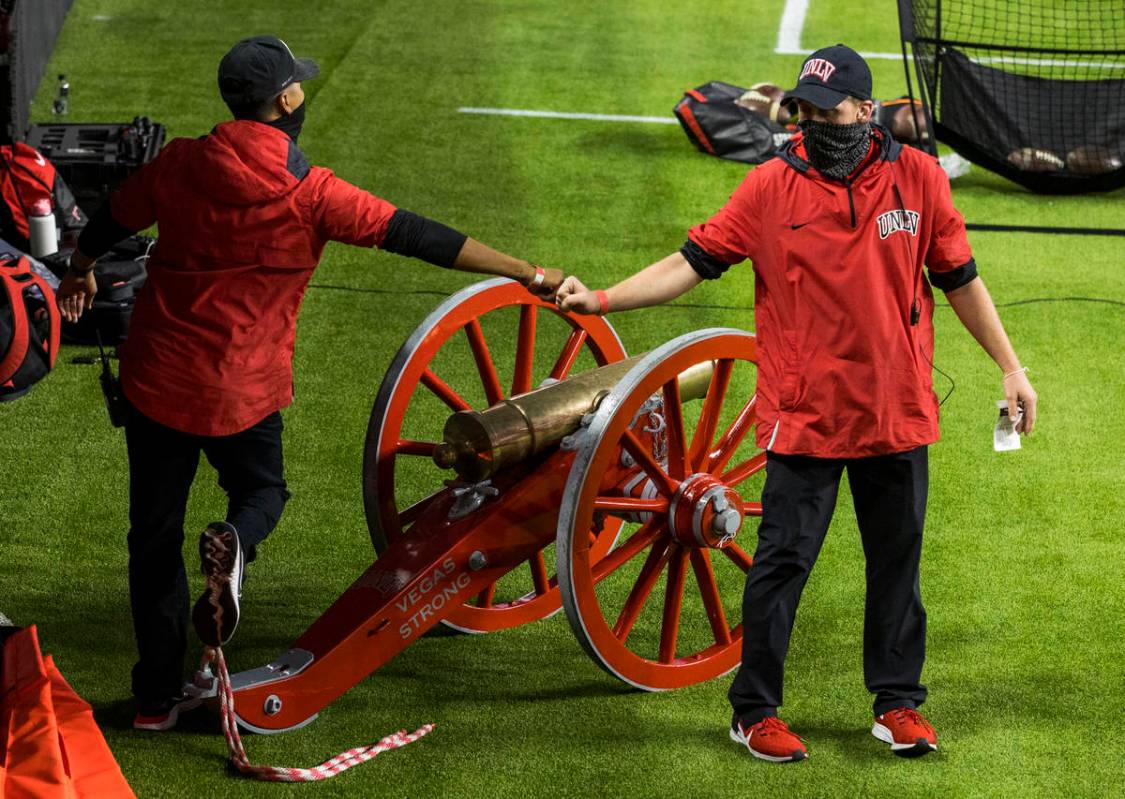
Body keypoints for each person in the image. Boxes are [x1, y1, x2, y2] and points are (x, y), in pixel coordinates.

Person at [55, 35, 563, 732]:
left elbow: (114, 215)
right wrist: (525, 271)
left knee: (153, 535)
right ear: (287, 101)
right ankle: (237, 538)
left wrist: (81, 263)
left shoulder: (178, 165)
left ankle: (153, 701)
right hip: (244, 390)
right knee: (262, 490)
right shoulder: (312, 193)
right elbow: (416, 234)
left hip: (158, 381)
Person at [557, 44, 1037, 762]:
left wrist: (1009, 367)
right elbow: (688, 263)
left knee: (896, 566)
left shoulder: (920, 181)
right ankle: (752, 712)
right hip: (805, 414)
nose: (815, 124)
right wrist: (600, 298)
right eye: (804, 112)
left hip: (895, 410)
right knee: (781, 565)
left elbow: (960, 278)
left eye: (829, 111)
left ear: (866, 111)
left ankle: (896, 704)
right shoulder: (767, 188)